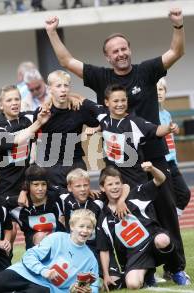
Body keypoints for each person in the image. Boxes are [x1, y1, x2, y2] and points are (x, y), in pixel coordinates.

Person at [44, 9, 189, 284]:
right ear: (107, 57)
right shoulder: (100, 77)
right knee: (124, 215)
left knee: (166, 213)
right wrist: (51, 31)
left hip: (153, 156)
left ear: (129, 50)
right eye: (115, 51)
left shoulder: (147, 71)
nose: (121, 53)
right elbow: (65, 60)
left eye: (124, 48)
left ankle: (174, 267)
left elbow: (176, 52)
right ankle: (141, 270)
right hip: (118, 165)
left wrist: (178, 25)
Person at [0, 208, 99, 293]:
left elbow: (94, 284)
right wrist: (43, 271)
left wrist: (86, 291)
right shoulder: (57, 238)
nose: (85, 231)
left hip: (47, 288)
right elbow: (29, 256)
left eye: (89, 227)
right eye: (81, 226)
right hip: (24, 272)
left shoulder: (90, 259)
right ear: (72, 226)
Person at [97, 163, 187, 290]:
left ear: (122, 184)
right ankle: (148, 275)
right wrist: (106, 275)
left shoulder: (135, 195)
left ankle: (177, 271)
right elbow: (104, 249)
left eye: (117, 183)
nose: (115, 187)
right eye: (110, 184)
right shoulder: (104, 218)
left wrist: (152, 169)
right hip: (135, 255)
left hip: (152, 241)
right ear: (102, 187)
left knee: (163, 240)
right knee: (133, 284)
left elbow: (160, 179)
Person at [83, 84, 179, 188]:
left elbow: (156, 130)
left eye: (123, 100)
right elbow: (82, 100)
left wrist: (169, 128)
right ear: (107, 102)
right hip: (114, 183)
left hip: (135, 182)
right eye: (116, 101)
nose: (120, 104)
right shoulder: (102, 116)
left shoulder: (135, 122)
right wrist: (71, 98)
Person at [33, 70, 99, 187]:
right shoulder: (42, 112)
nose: (63, 89)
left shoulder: (78, 108)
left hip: (76, 163)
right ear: (49, 89)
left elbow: (105, 122)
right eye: (58, 86)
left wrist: (95, 129)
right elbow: (33, 138)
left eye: (66, 86)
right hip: (53, 166)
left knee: (81, 200)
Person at [157, 77, 191, 217]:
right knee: (165, 199)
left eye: (161, 89)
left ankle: (172, 220)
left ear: (165, 92)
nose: (158, 93)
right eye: (155, 90)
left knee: (184, 193)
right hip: (160, 163)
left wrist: (174, 128)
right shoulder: (148, 114)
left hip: (172, 163)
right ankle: (167, 225)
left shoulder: (167, 114)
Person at [10, 165, 65, 249]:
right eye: (36, 184)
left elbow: (75, 191)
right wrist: (23, 191)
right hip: (35, 249)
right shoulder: (17, 203)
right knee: (40, 236)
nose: (40, 188)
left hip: (59, 243)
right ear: (28, 185)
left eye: (43, 184)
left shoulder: (56, 196)